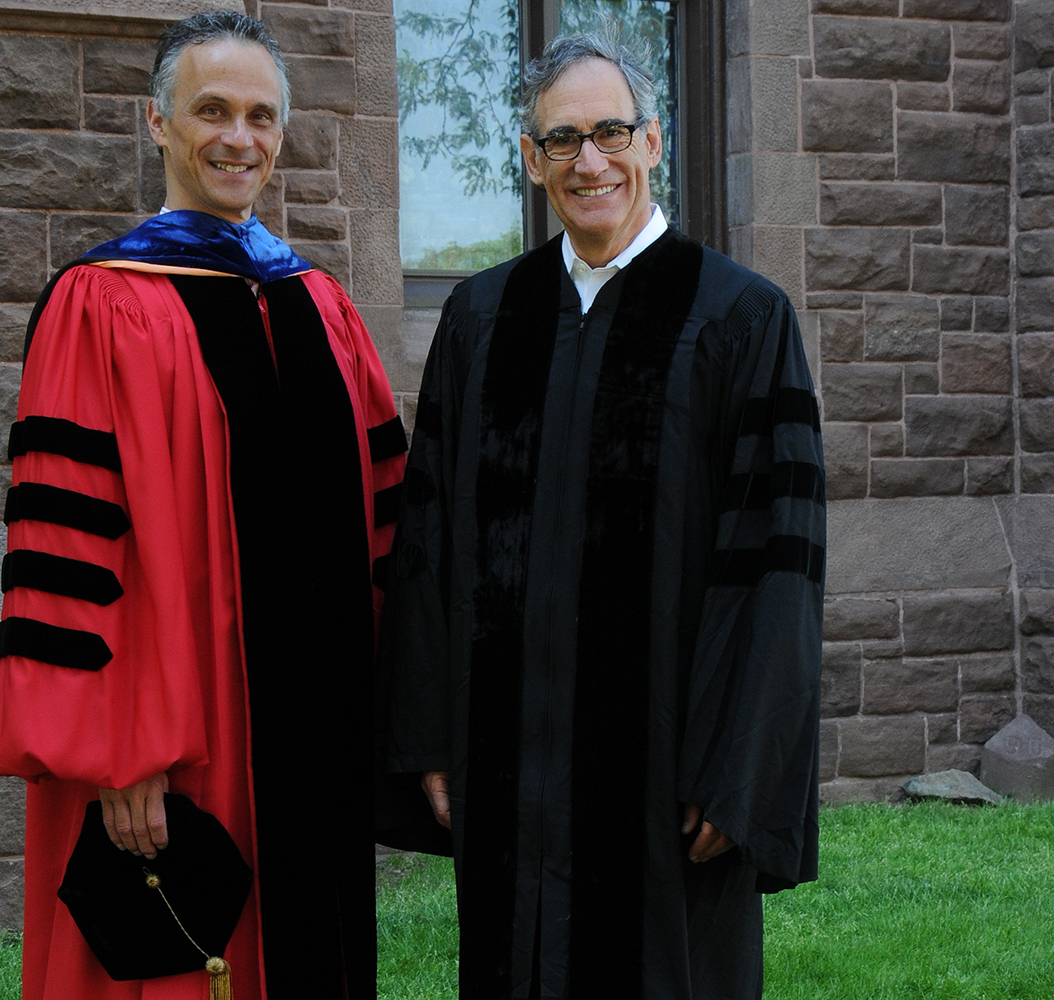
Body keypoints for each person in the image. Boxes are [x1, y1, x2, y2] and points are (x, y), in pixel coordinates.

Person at [378, 31, 826, 1000]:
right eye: (564, 139)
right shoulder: (485, 319)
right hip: (507, 761)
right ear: (532, 159)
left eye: (611, 132)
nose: (591, 160)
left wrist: (735, 767)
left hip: (668, 775)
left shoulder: (741, 319)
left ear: (654, 141)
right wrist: (429, 735)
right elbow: (431, 542)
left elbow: (776, 569)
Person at [0, 13, 404, 999]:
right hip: (176, 739)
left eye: (260, 115)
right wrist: (124, 751)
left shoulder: (322, 308)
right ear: (157, 123)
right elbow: (67, 546)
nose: (238, 138)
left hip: (320, 740)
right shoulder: (100, 304)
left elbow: (387, 522)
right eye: (212, 110)